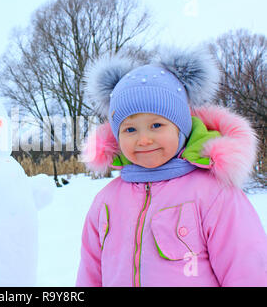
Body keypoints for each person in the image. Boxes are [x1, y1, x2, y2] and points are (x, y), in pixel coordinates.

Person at [76, 47, 267, 287]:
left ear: (181, 127)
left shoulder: (214, 193)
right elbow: (90, 272)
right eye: (130, 129)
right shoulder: (106, 200)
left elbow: (248, 269)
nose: (143, 139)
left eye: (156, 125)